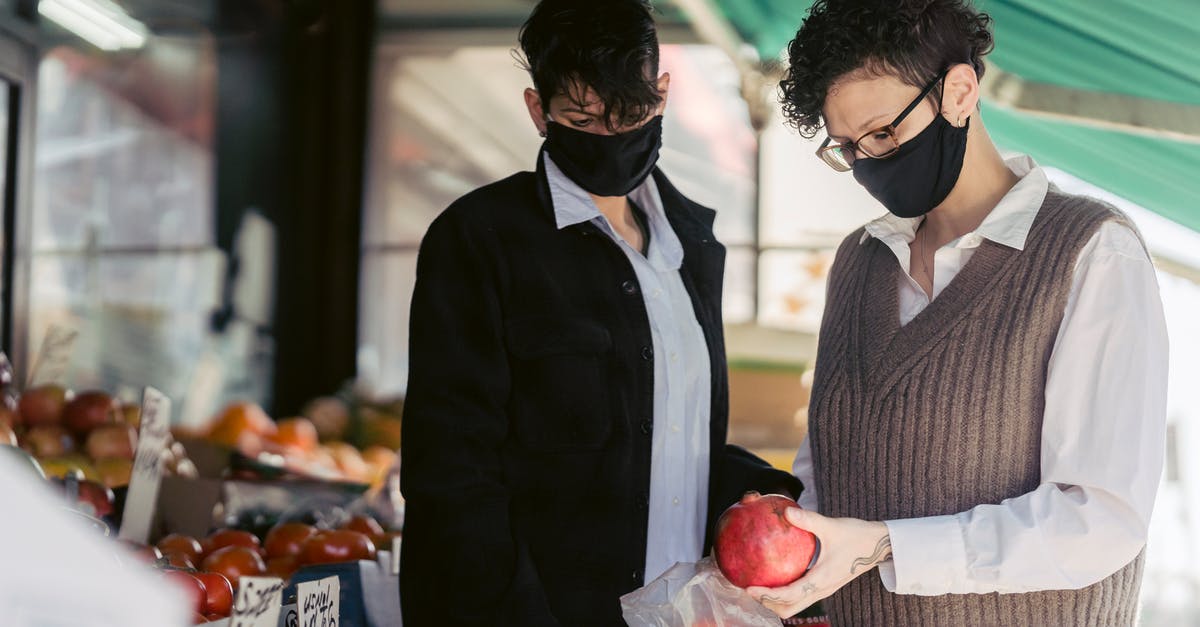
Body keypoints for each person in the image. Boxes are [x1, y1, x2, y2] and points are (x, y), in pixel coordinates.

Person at [747, 1, 1169, 625]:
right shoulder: (859, 261)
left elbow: (1100, 519)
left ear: (960, 90)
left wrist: (890, 546)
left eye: (885, 134)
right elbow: (824, 479)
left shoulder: (1092, 252)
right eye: (847, 148)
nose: (868, 165)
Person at [398, 1, 801, 625]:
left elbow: (679, 438)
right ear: (539, 110)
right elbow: (452, 476)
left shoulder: (693, 246)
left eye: (631, 115)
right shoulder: (479, 241)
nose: (611, 138)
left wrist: (768, 496)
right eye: (583, 118)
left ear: (661, 94)